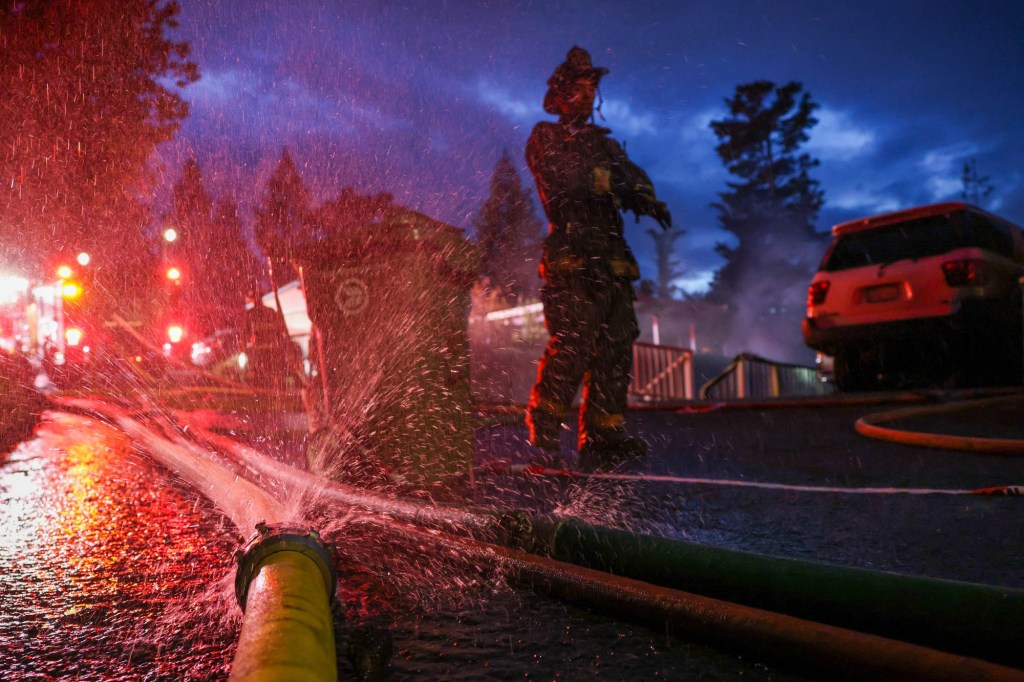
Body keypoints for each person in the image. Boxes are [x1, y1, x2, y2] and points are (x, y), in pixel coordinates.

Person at [525, 46, 672, 471]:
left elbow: (634, 179)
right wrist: (611, 181)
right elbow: (565, 181)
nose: (587, 96)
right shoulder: (544, 137)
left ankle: (604, 435)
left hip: (611, 258)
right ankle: (545, 429)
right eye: (579, 88)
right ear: (560, 94)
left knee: (615, 345)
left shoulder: (603, 145)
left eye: (593, 88)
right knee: (575, 341)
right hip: (573, 258)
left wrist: (646, 197)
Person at [241, 289, 291, 389]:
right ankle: (271, 387)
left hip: (260, 350)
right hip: (270, 349)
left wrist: (243, 346)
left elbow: (245, 333)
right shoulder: (270, 311)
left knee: (262, 371)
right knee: (270, 370)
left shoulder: (251, 314)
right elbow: (279, 330)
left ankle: (264, 388)